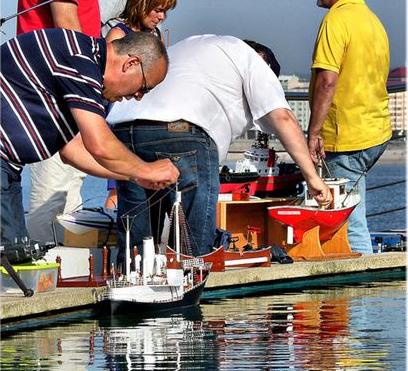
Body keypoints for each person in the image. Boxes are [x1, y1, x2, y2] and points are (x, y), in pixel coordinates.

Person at [106, 34, 333, 265]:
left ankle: (131, 285)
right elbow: (283, 118)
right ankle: (191, 283)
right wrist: (312, 177)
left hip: (124, 124)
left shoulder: (201, 44)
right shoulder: (253, 62)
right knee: (192, 246)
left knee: (137, 240)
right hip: (183, 132)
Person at [0, 29, 179, 247]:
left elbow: (73, 150)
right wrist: (147, 169)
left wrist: (133, 176)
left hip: (8, 169)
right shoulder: (80, 61)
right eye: (144, 88)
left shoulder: (87, 71)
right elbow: (99, 144)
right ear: (131, 63)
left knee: (13, 255)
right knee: (9, 261)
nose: (138, 97)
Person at [307, 0, 392, 254]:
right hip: (374, 130)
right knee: (353, 216)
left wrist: (313, 132)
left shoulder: (336, 20)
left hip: (347, 137)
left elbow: (327, 80)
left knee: (349, 226)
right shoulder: (373, 21)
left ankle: (359, 297)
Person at [16, 0, 101, 243]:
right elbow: (66, 23)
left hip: (52, 86)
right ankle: (44, 276)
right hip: (57, 90)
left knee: (68, 187)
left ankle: (64, 268)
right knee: (53, 192)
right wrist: (88, 83)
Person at [103, 0, 177, 209]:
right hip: (121, 119)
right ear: (142, 4)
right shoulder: (117, 35)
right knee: (121, 189)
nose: (162, 17)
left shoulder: (155, 36)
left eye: (165, 11)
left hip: (148, 119)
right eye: (158, 9)